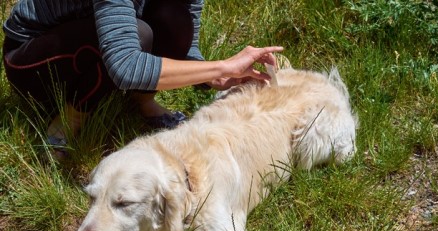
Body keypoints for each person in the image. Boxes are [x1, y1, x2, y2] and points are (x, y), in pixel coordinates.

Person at [2, 0, 282, 158]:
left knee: (175, 17)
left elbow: (187, 48)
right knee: (140, 33)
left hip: (99, 38)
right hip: (32, 59)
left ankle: (144, 102)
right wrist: (222, 67)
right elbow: (124, 66)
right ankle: (67, 121)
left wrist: (217, 79)